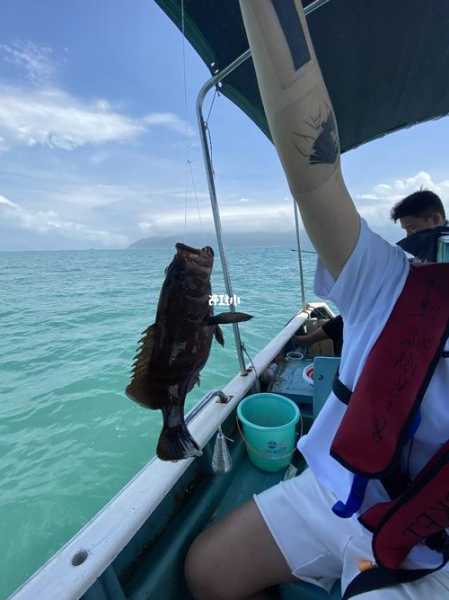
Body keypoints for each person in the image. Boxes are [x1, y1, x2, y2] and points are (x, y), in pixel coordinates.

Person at [185, 2, 449, 600]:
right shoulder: (395, 279)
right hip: (337, 489)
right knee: (206, 570)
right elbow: (315, 177)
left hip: (432, 552)